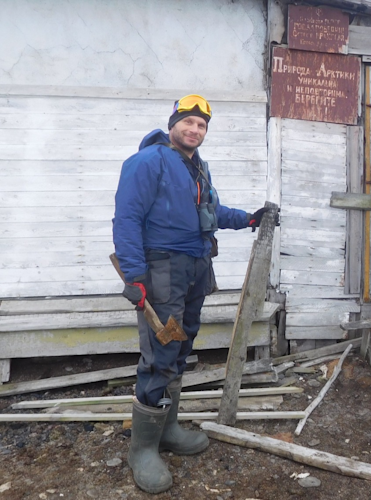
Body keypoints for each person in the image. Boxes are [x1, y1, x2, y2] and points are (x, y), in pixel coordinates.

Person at [112, 95, 271, 494]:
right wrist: (134, 275)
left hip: (196, 268)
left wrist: (249, 218)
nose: (194, 130)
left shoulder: (197, 167)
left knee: (182, 348)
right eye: (188, 122)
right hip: (162, 269)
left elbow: (211, 212)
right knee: (161, 351)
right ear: (173, 124)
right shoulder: (147, 162)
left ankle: (167, 430)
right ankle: (142, 449)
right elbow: (127, 216)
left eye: (201, 125)